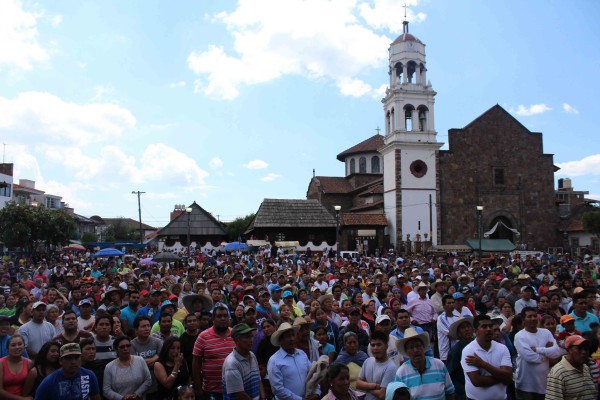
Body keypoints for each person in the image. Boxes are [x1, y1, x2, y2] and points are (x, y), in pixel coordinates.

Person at [513, 307, 561, 399]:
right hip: (526, 387)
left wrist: (538, 350)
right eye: (529, 316)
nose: (533, 318)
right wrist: (547, 353)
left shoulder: (546, 332)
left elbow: (557, 352)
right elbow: (530, 358)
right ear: (523, 320)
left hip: (545, 384)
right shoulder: (519, 336)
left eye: (535, 316)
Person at [461, 315, 512, 400]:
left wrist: (483, 364)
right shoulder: (468, 351)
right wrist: (502, 378)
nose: (488, 329)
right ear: (476, 331)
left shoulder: (502, 348)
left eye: (490, 326)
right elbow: (477, 381)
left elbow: (508, 376)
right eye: (484, 326)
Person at [394, 328, 455, 400]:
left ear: (423, 347)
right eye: (411, 347)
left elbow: (450, 392)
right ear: (406, 352)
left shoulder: (439, 365)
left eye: (418, 346)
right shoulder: (401, 373)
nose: (415, 350)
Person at [192, 303, 235, 400]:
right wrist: (198, 388)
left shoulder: (235, 334)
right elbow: (196, 364)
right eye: (219, 316)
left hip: (234, 389)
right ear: (213, 319)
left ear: (229, 319)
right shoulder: (203, 337)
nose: (223, 318)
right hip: (211, 390)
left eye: (225, 316)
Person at [267, 322, 318, 400]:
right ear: (281, 340)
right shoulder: (274, 360)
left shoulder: (302, 354)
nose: (291, 339)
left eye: (293, 335)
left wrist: (317, 392)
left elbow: (312, 374)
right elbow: (277, 389)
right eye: (288, 336)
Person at [33, 343, 101, 400]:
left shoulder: (89, 375)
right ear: (60, 361)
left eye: (76, 358)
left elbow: (96, 397)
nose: (73, 362)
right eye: (68, 358)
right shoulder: (49, 381)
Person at [546, 335, 597, 400]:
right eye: (579, 348)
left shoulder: (585, 368)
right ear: (568, 350)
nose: (584, 352)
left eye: (586, 349)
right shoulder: (558, 372)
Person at [222, 323, 265, 400]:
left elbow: (258, 379)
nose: (251, 340)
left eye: (251, 336)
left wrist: (263, 397)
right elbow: (239, 394)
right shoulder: (232, 363)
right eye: (247, 337)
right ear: (237, 340)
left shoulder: (252, 355)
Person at [103, 335, 152, 400]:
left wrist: (137, 394)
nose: (125, 348)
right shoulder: (109, 367)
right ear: (116, 349)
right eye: (122, 347)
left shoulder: (140, 360)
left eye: (128, 346)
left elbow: (148, 380)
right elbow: (106, 390)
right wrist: (122, 398)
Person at [356, 331, 397, 400]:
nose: (375, 348)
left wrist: (365, 386)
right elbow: (357, 383)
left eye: (379, 345)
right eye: (372, 345)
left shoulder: (390, 367)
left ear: (386, 346)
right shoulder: (368, 361)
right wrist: (374, 386)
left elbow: (382, 395)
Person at [446, 318, 474, 400]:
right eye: (463, 328)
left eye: (468, 326)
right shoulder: (455, 350)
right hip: (463, 390)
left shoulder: (478, 345)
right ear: (459, 333)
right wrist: (461, 390)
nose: (467, 329)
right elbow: (451, 373)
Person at [0, 334, 33, 400]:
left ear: (24, 346)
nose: (17, 347)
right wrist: (22, 399)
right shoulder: (1, 363)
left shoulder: (29, 363)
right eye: (13, 345)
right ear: (7, 348)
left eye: (20, 344)